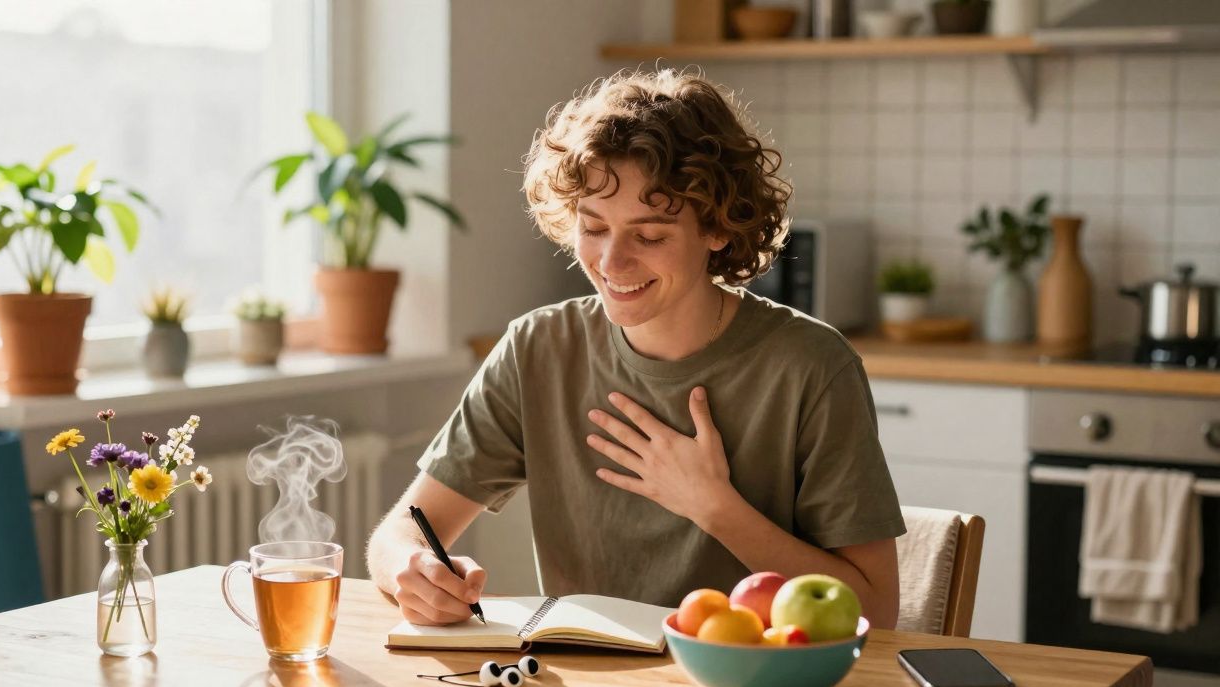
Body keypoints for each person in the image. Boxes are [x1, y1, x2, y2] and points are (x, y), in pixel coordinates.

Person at [366, 68, 904, 629]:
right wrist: (414, 567)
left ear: (718, 228)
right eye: (594, 227)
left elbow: (876, 612)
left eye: (650, 236)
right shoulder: (538, 349)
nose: (611, 263)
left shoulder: (811, 366)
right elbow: (399, 533)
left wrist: (714, 507)